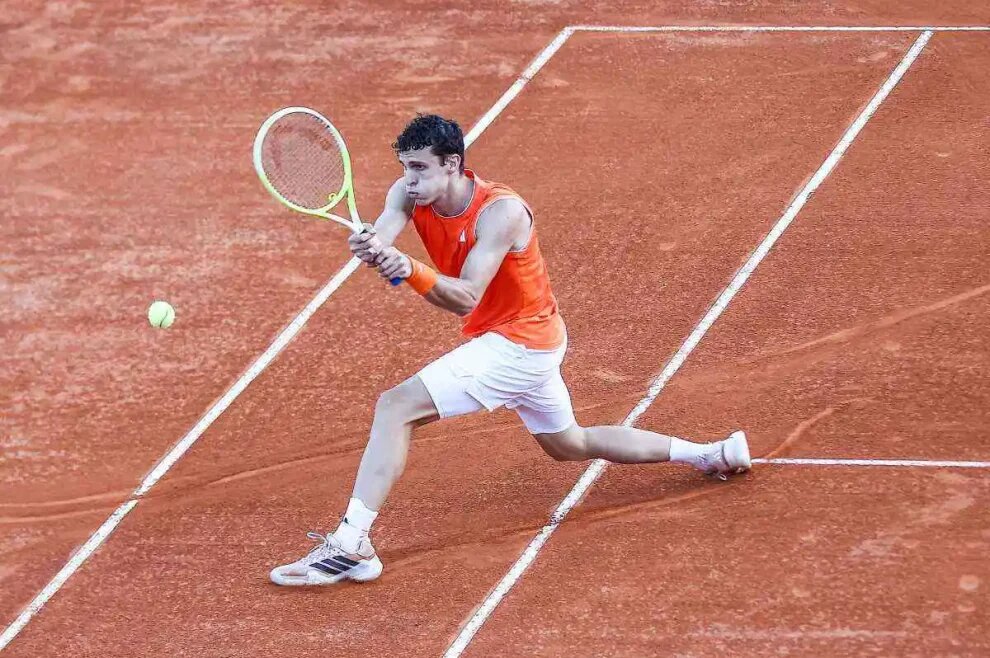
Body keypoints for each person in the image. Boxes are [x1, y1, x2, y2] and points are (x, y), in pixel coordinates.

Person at [270, 114, 750, 586]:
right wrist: (377, 248)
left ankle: (351, 543)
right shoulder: (407, 194)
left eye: (419, 168)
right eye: (404, 167)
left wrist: (406, 269)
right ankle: (710, 454)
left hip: (520, 344)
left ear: (452, 163)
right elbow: (388, 232)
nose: (408, 180)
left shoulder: (502, 213)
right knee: (570, 444)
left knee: (396, 406)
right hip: (526, 342)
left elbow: (464, 295)